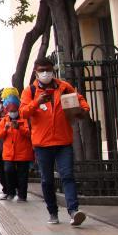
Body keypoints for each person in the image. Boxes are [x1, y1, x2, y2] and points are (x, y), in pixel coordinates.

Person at [21, 57, 89, 226]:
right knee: (47, 180)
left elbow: (79, 100)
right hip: (42, 144)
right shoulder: (30, 91)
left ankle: (73, 211)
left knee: (67, 176)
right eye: (41, 70)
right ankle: (53, 212)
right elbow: (23, 112)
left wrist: (83, 110)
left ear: (53, 70)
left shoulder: (64, 87)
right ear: (36, 72)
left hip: (63, 141)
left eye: (48, 70)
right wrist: (37, 102)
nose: (45, 73)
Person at [0, 88, 33, 202]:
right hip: (9, 153)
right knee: (8, 171)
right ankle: (11, 192)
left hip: (23, 152)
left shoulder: (25, 119)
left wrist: (19, 128)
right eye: (10, 109)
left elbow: (29, 134)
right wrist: (6, 129)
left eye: (14, 108)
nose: (12, 111)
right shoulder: (4, 121)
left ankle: (22, 195)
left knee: (23, 175)